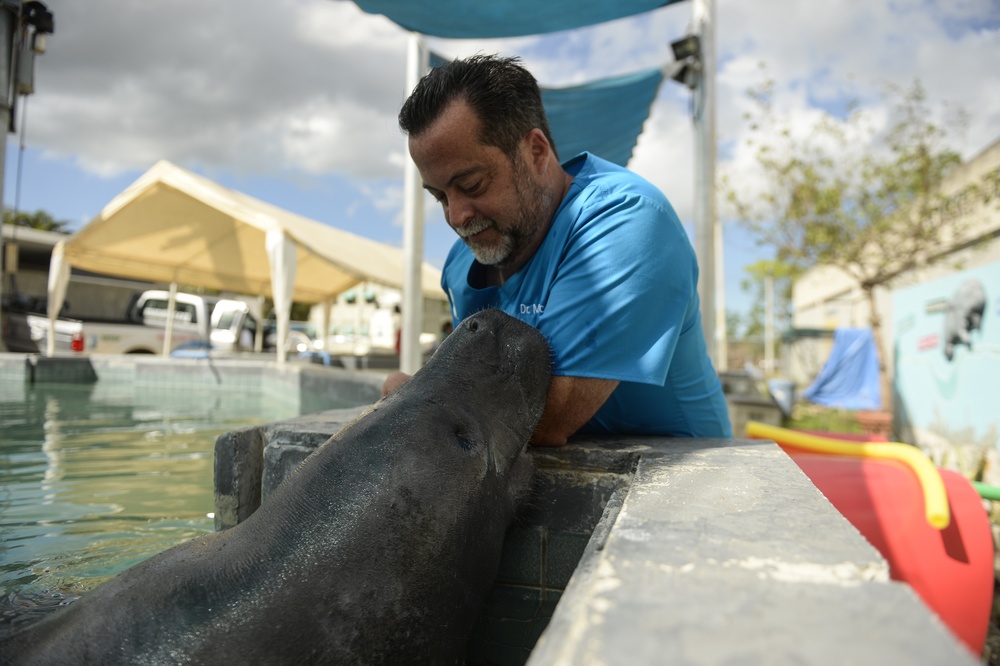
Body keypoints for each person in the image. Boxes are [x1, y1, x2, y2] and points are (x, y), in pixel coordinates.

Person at [382, 54, 732, 446]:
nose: (457, 217)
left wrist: (409, 398)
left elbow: (542, 417)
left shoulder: (627, 220)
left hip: (687, 479)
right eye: (440, 197)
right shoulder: (462, 266)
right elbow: (474, 393)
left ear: (535, 151)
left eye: (474, 184)